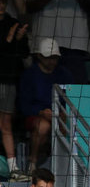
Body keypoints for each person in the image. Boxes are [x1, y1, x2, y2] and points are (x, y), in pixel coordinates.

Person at [17, 38, 70, 171]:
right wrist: (41, 112)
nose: (52, 61)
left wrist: (62, 112)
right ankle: (33, 163)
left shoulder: (64, 74)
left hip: (60, 115)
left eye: (54, 58)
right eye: (48, 58)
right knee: (43, 126)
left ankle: (64, 166)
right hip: (35, 115)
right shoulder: (29, 75)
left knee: (68, 125)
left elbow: (70, 98)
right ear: (39, 56)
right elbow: (24, 105)